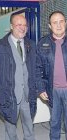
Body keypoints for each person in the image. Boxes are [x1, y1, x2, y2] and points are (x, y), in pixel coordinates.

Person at [0, 14, 36, 140]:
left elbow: (34, 67)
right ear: (11, 26)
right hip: (9, 95)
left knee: (29, 126)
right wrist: (2, 86)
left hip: (27, 94)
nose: (22, 28)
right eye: (18, 25)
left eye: (24, 25)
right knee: (10, 128)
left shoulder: (31, 45)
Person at [36, 11, 67, 140]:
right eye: (55, 22)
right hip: (52, 90)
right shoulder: (42, 43)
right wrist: (40, 88)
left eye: (61, 21)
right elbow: (37, 68)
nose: (58, 25)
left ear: (66, 23)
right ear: (49, 26)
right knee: (54, 122)